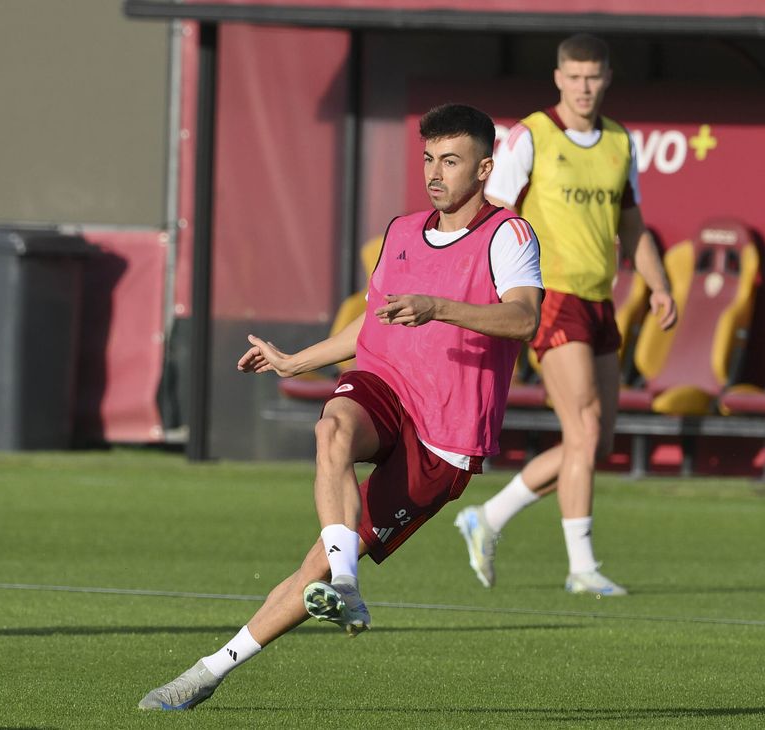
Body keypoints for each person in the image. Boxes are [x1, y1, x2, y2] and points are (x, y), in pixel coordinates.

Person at [138, 103, 543, 711]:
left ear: (485, 168)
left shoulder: (508, 234)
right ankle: (349, 582)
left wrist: (437, 307)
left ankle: (209, 671)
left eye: (451, 161)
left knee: (312, 573)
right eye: (429, 158)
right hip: (385, 383)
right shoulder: (403, 231)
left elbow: (523, 317)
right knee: (331, 430)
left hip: (446, 436)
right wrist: (295, 361)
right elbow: (371, 326)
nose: (435, 173)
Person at [453, 34, 677, 597]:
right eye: (573, 76)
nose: (583, 86)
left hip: (600, 299)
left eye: (593, 76)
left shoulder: (621, 142)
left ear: (606, 79)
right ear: (558, 78)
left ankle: (489, 517)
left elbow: (632, 227)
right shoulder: (533, 136)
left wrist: (660, 285)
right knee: (583, 430)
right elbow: (495, 215)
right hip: (549, 296)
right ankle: (581, 567)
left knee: (596, 445)